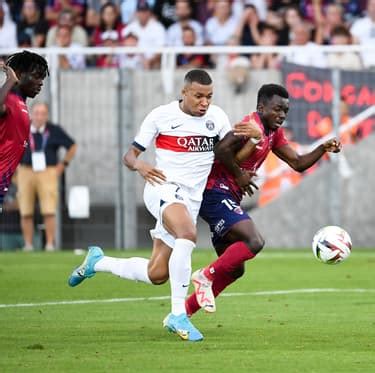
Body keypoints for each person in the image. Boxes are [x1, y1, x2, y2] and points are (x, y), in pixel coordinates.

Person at [67, 69, 261, 342]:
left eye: (209, 97)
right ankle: (178, 315)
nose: (204, 102)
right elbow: (129, 155)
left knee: (156, 273)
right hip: (162, 189)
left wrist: (254, 139)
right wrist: (141, 165)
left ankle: (97, 262)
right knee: (188, 234)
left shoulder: (217, 118)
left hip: (191, 200)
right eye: (198, 96)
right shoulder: (161, 116)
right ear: (184, 93)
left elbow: (231, 157)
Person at [185, 84, 342, 316]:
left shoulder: (273, 132)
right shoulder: (251, 126)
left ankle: (183, 313)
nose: (281, 115)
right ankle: (205, 276)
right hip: (214, 192)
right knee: (254, 241)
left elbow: (297, 163)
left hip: (228, 196)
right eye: (277, 109)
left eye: (285, 112)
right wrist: (239, 175)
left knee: (235, 269)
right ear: (261, 107)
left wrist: (322, 148)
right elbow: (221, 150)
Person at [17, 102, 77, 251]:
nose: (39, 117)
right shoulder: (22, 127)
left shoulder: (54, 130)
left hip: (47, 171)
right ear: (31, 114)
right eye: (36, 113)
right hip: (25, 170)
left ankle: (50, 244)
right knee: (25, 210)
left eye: (43, 113)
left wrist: (63, 165)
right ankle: (28, 245)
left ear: (47, 115)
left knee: (49, 210)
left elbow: (72, 146)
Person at [0, 50, 49, 212]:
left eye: (42, 78)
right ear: (19, 74)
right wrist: (10, 81)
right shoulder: (10, 98)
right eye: (36, 76)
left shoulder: (20, 103)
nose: (40, 83)